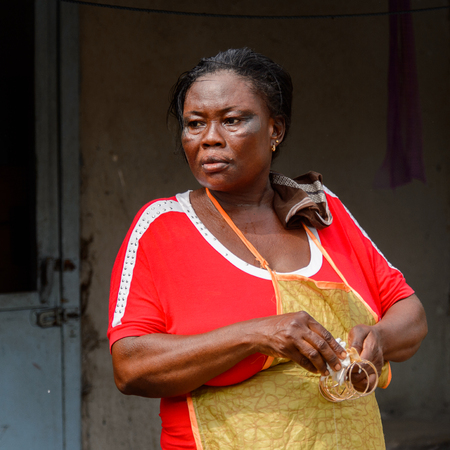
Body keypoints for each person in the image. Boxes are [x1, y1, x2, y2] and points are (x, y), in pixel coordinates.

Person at [108, 48, 427, 449]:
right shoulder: (163, 226)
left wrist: (380, 338)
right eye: (194, 124)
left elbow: (411, 315)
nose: (209, 139)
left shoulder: (320, 211)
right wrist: (255, 334)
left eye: (232, 120)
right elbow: (130, 367)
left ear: (276, 129)